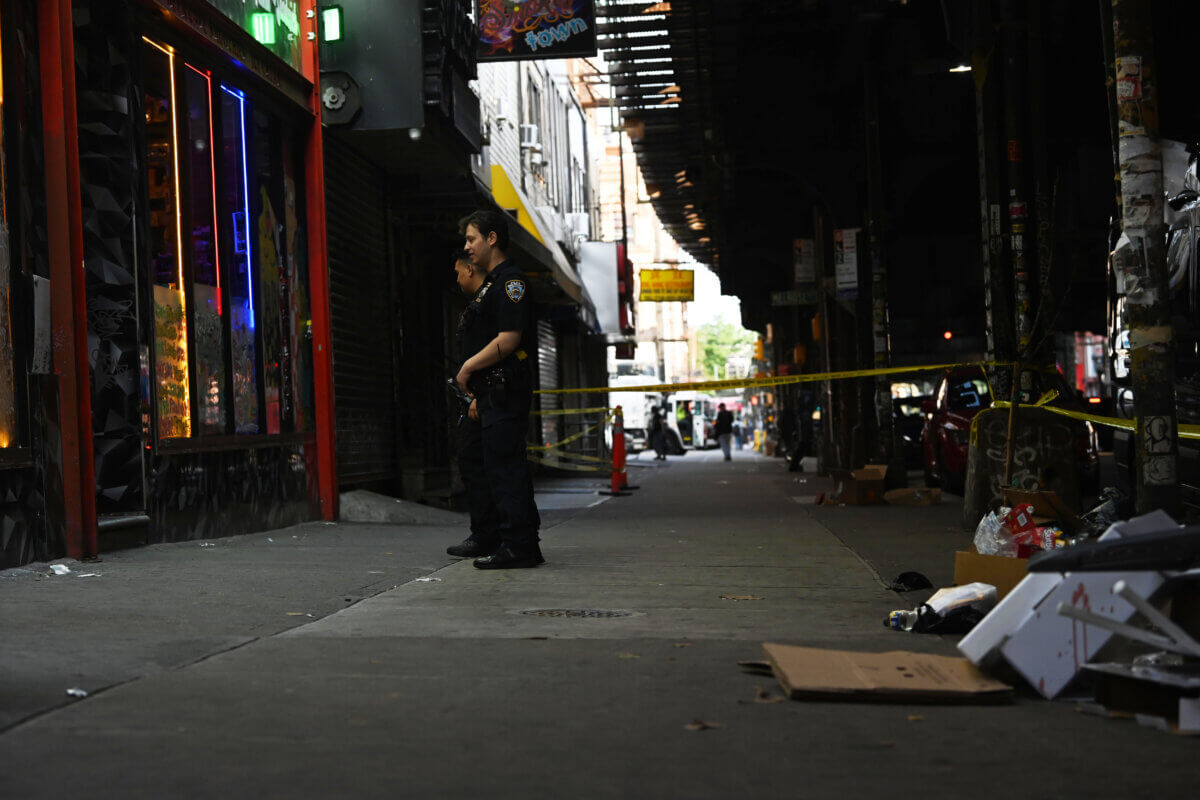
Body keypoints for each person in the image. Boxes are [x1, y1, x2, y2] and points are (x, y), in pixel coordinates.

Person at [456, 210, 543, 569]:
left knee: (506, 469)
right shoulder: (493, 284)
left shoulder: (511, 283)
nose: (467, 246)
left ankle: (520, 546)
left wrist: (467, 368)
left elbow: (509, 339)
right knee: (489, 465)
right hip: (491, 393)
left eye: (472, 239)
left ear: (492, 238)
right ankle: (498, 537)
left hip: (506, 391)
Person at [445, 252, 502, 559]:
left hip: (485, 397)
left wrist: (481, 394)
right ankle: (486, 533)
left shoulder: (490, 301)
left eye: (458, 272)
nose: (456, 279)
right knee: (473, 463)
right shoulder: (478, 303)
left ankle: (487, 535)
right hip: (477, 397)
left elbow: (498, 350)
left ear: (469, 269)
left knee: (479, 465)